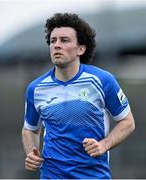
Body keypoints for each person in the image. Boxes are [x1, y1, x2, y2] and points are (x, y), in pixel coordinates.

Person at [22, 12, 135, 179]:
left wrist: (104, 145)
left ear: (81, 49)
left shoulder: (102, 80)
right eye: (53, 41)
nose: (56, 45)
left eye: (64, 40)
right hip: (52, 175)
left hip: (94, 175)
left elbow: (127, 122)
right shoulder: (36, 88)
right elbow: (30, 130)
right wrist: (32, 153)